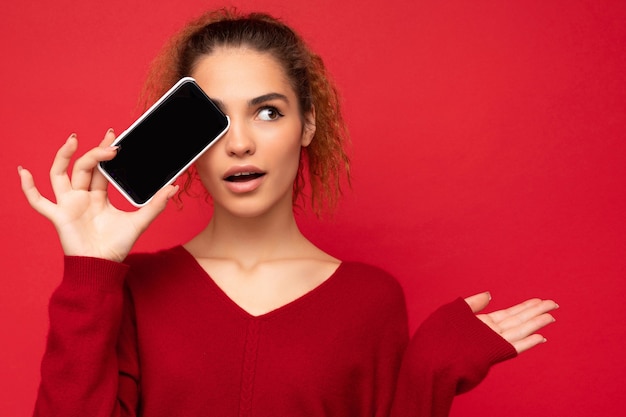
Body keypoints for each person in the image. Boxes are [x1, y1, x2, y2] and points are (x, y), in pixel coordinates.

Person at [18, 8, 558, 417]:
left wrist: (427, 374)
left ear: (308, 125)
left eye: (268, 112)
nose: (240, 144)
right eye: (214, 119)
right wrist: (90, 272)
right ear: (184, 140)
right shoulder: (135, 290)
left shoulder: (370, 301)